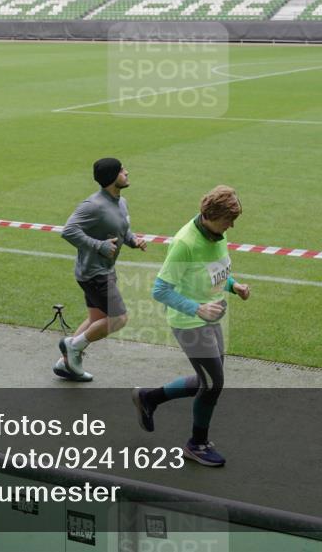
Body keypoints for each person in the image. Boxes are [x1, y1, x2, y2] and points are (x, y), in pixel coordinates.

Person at [132, 185, 250, 467]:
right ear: (211, 215)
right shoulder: (185, 243)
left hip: (211, 317)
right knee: (213, 384)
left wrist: (233, 286)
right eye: (228, 220)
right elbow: (160, 290)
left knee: (206, 380)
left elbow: (212, 272)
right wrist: (197, 308)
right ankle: (196, 444)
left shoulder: (217, 233)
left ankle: (149, 397)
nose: (231, 226)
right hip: (189, 322)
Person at [55, 157, 146, 381]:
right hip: (94, 273)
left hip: (105, 270)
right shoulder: (93, 205)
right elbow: (69, 231)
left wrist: (133, 241)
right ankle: (73, 346)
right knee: (119, 318)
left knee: (97, 318)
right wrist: (99, 246)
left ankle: (65, 364)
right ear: (112, 177)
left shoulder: (121, 202)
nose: (127, 172)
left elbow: (122, 229)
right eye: (122, 170)